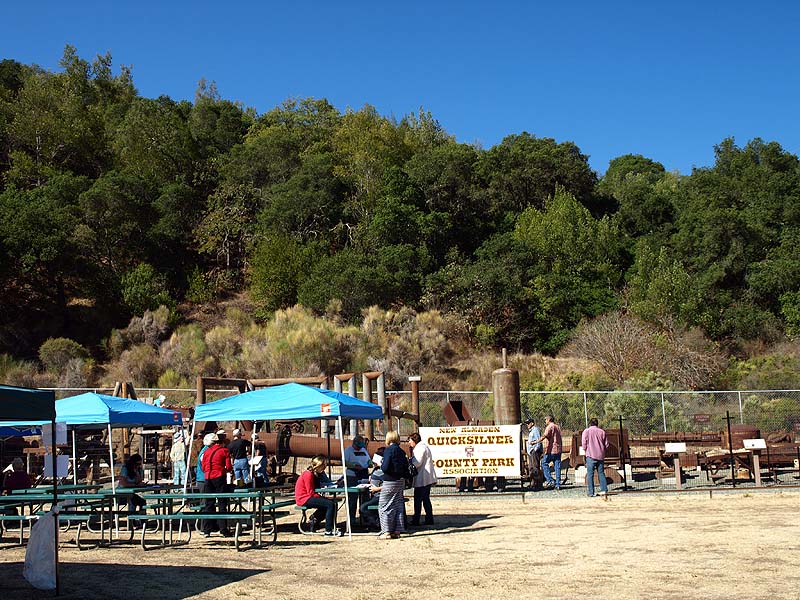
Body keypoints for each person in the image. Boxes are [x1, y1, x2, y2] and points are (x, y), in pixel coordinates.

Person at [294, 455, 342, 537]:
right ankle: (328, 530)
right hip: (304, 499)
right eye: (323, 465)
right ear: (318, 466)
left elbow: (322, 485)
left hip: (309, 497)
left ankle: (315, 518)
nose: (325, 467)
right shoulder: (308, 474)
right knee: (329, 504)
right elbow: (310, 492)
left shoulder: (317, 474)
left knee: (331, 503)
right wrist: (322, 498)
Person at [375, 430, 408, 540]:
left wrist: (381, 463)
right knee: (397, 506)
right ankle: (397, 531)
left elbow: (385, 468)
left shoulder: (388, 450)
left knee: (384, 506)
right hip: (400, 481)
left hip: (389, 481)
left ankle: (387, 532)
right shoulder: (401, 451)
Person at [200, 432, 233, 537]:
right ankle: (223, 529)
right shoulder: (224, 451)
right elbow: (228, 467)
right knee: (222, 503)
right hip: (219, 477)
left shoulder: (206, 452)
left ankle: (207, 529)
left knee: (209, 504)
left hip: (207, 478)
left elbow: (204, 467)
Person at [408, 432, 436, 526]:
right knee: (426, 499)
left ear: (414, 440)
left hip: (422, 478)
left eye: (410, 440)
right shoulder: (424, 447)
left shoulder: (420, 448)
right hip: (426, 478)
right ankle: (429, 518)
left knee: (418, 500)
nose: (409, 442)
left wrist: (410, 461)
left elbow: (418, 462)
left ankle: (416, 520)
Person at [343, 434, 372, 526]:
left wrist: (370, 463)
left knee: (365, 497)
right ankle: (351, 519)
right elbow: (344, 462)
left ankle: (365, 517)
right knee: (352, 498)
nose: (359, 449)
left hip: (363, 474)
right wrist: (354, 466)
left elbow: (368, 460)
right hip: (352, 475)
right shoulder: (348, 450)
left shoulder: (363, 450)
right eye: (358, 447)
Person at [533, 415, 563, 490]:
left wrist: (536, 442)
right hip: (558, 450)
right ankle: (558, 484)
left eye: (545, 419)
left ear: (549, 420)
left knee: (544, 463)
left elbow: (544, 436)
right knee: (557, 467)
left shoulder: (550, 427)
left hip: (551, 450)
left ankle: (550, 480)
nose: (545, 421)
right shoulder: (557, 427)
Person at [581, 418, 610, 497]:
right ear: (597, 423)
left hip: (590, 455)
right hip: (600, 456)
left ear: (590, 423)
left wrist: (585, 449)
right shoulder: (602, 432)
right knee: (601, 473)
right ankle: (604, 490)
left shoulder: (586, 431)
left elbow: (584, 443)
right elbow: (607, 444)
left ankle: (591, 492)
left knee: (590, 474)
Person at [360, 447, 385, 530]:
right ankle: (374, 522)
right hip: (374, 495)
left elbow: (388, 485)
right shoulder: (376, 469)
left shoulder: (384, 471)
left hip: (380, 496)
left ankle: (376, 523)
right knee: (364, 504)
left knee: (363, 508)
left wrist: (377, 489)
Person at [525, 418, 543, 490]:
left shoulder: (535, 430)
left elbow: (538, 440)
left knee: (535, 467)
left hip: (534, 452)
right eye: (527, 423)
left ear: (532, 423)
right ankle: (533, 483)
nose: (527, 425)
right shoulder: (532, 431)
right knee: (532, 467)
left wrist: (535, 450)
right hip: (531, 452)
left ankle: (537, 484)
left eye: (528, 423)